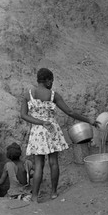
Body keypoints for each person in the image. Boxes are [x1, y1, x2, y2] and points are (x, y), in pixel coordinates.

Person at [21, 68, 96, 202]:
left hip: (37, 131)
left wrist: (39, 122)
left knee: (38, 165)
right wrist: (88, 120)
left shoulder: (28, 95)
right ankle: (54, 193)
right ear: (48, 80)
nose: (52, 84)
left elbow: (23, 115)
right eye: (52, 81)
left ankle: (34, 196)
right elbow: (70, 112)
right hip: (51, 129)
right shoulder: (53, 95)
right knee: (53, 162)